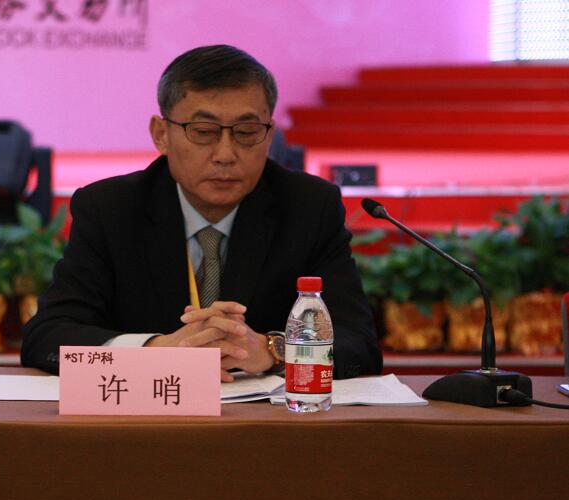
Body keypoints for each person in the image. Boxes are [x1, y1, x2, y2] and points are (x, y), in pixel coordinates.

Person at [21, 44, 382, 381]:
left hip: (266, 421)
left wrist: (275, 350)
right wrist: (155, 350)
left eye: (246, 132)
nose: (225, 154)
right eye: (204, 131)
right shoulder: (110, 208)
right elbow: (48, 336)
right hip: (147, 416)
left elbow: (359, 343)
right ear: (161, 134)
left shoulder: (309, 207)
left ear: (269, 135)